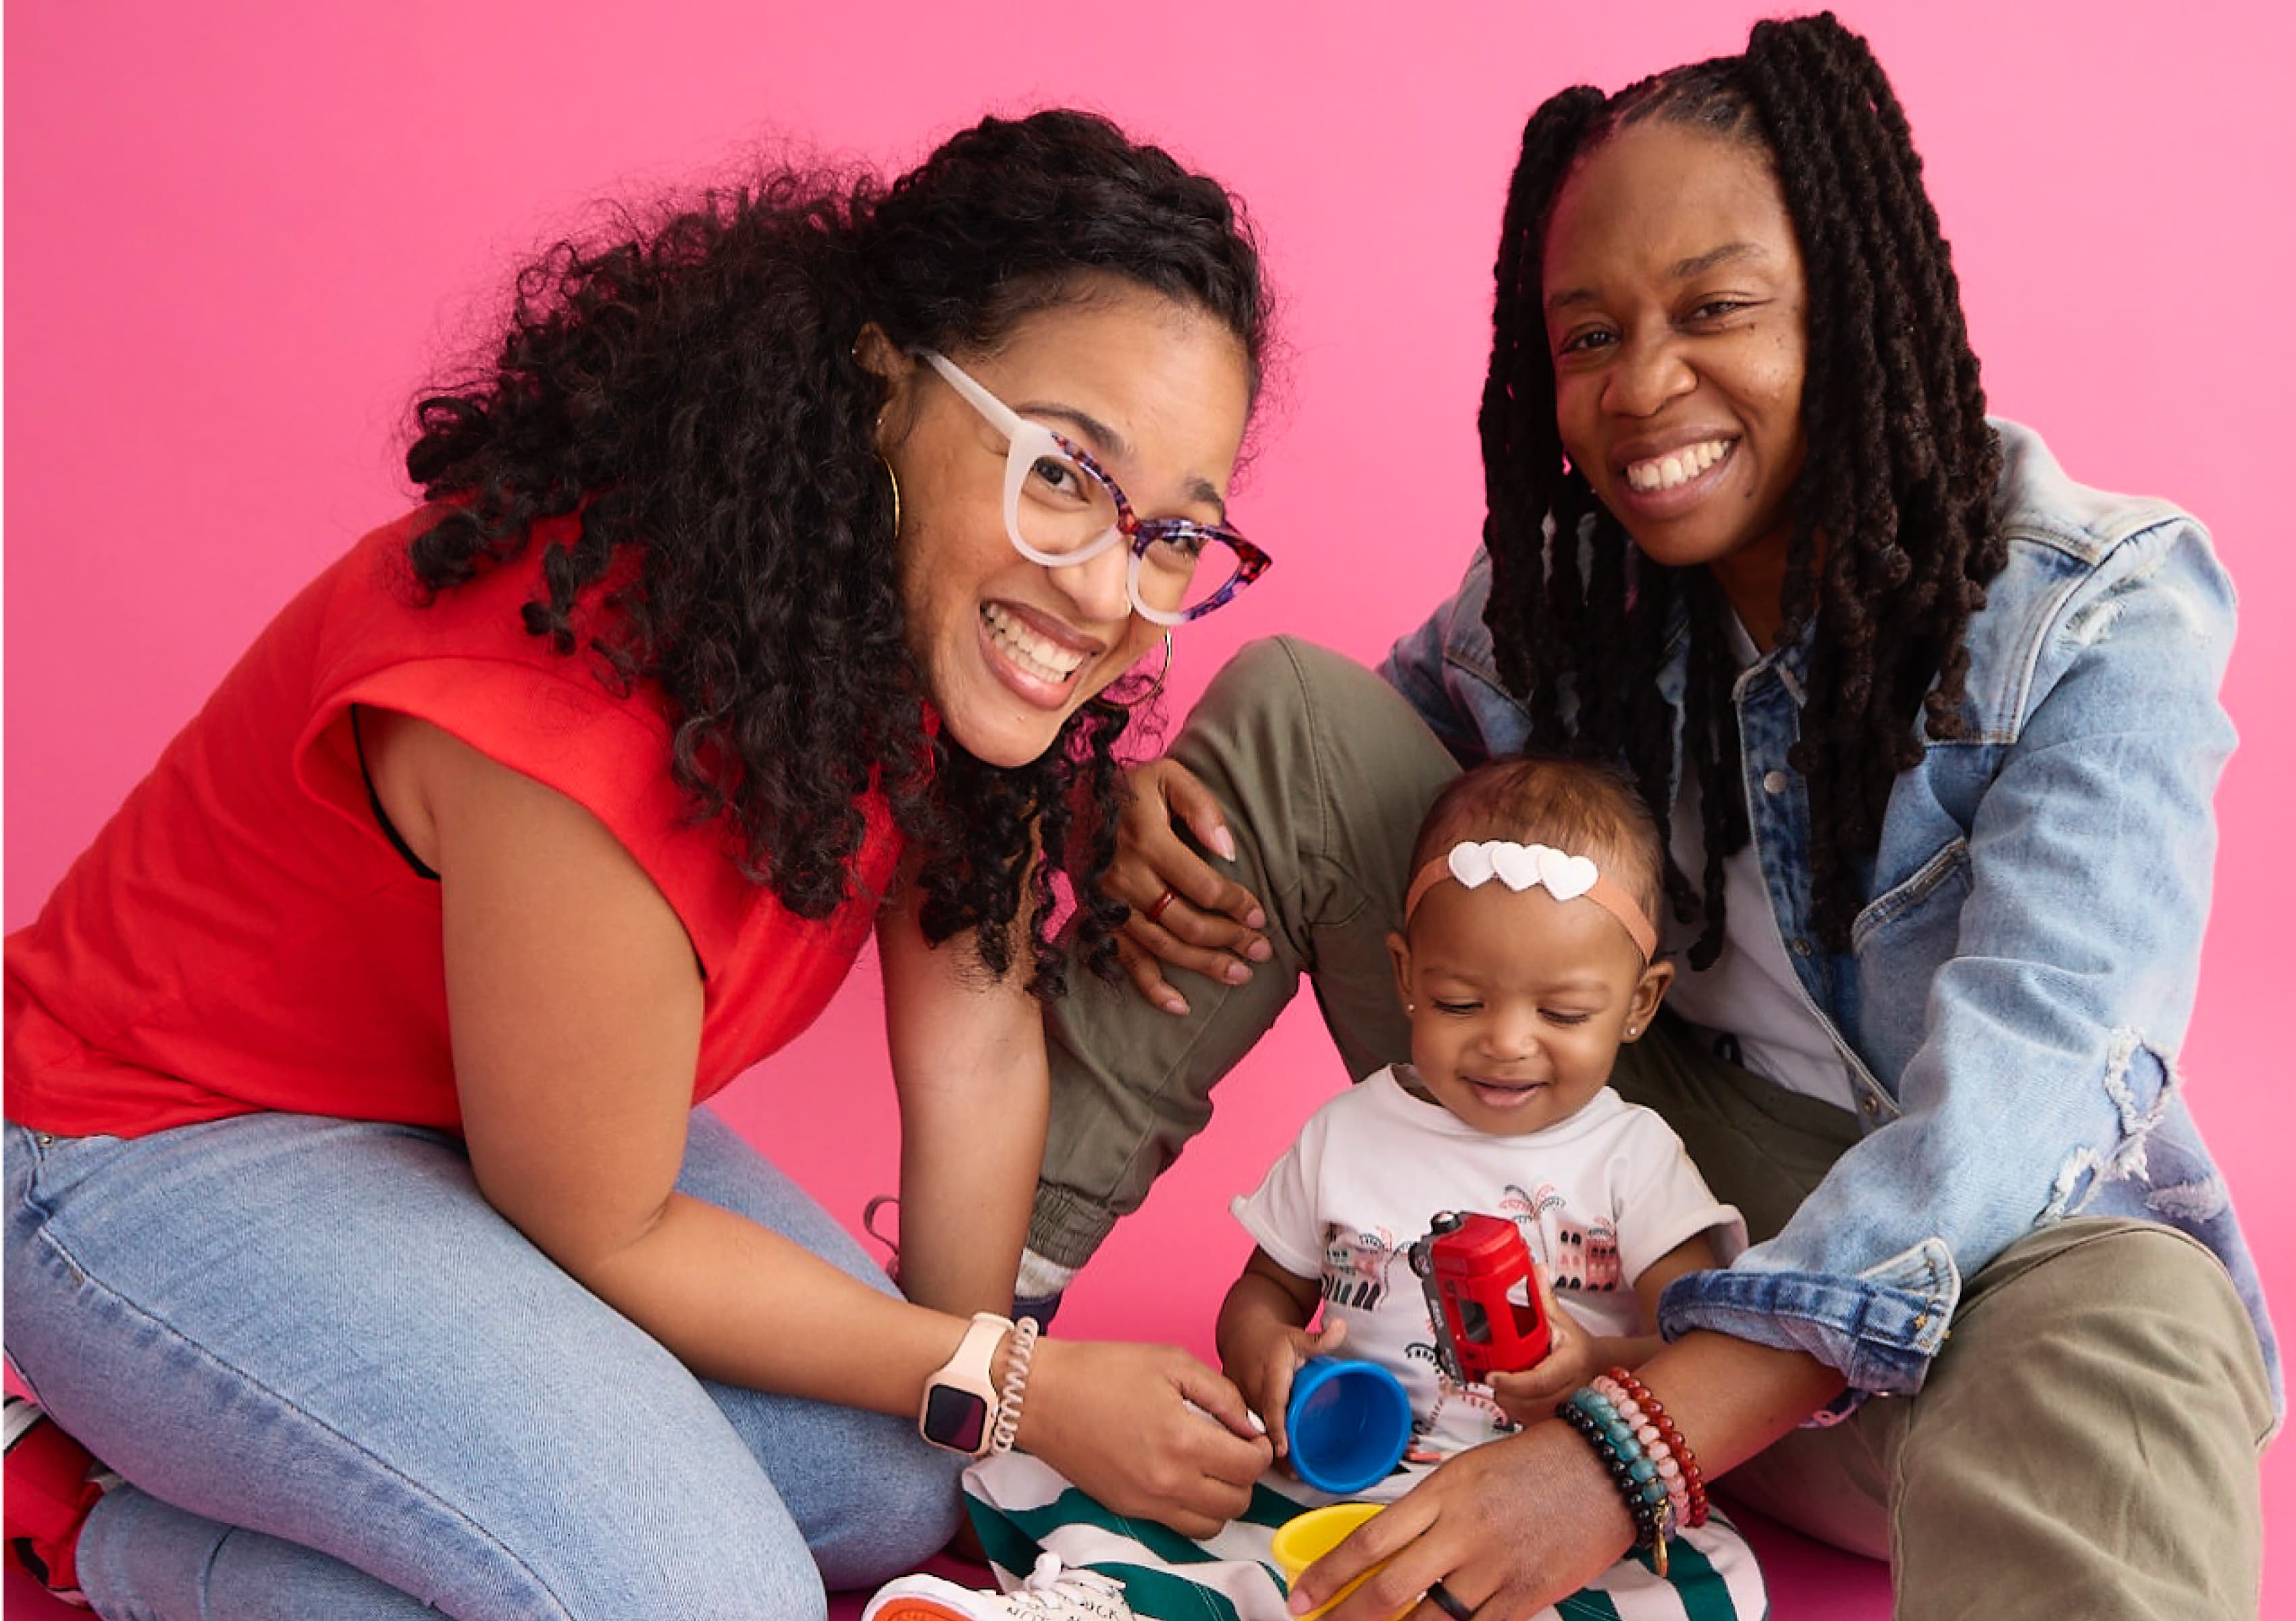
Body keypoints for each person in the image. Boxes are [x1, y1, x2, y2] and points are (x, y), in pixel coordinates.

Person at [1023, 16, 2280, 1621]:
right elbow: (1330, 783)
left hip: (1966, 1310)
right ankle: (964, 1320)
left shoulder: (2096, 604)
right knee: (1276, 708)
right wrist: (1115, 809)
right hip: (1620, 1240)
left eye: (1714, 310)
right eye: (1588, 336)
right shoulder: (1574, 590)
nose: (1640, 387)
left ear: (1851, 297)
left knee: (2130, 1312)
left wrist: (1633, 1448)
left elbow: (2037, 1084)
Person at [1, 109, 1281, 1621]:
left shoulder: (932, 648)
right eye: (1062, 472)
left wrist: (987, 1393)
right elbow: (606, 1222)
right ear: (879, 384)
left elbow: (978, 1047)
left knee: (892, 1482)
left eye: (1173, 536)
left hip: (477, 1130)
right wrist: (1021, 1384)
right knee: (713, 1599)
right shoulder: (576, 713)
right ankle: (93, 1523)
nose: (1105, 585)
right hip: (153, 1154)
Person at [872, 755, 1765, 1621]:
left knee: (1689, 1578)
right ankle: (1093, 1600)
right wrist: (1265, 1350)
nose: (1507, 1041)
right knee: (1155, 1509)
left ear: (1640, 1001)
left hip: (1544, 1504)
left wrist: (1591, 1369)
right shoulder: (1350, 1130)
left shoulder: (1632, 1156)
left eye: (1562, 1013)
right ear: (1408, 974)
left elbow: (1694, 1345)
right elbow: (1266, 1290)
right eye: (1461, 1001)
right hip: (1337, 1482)